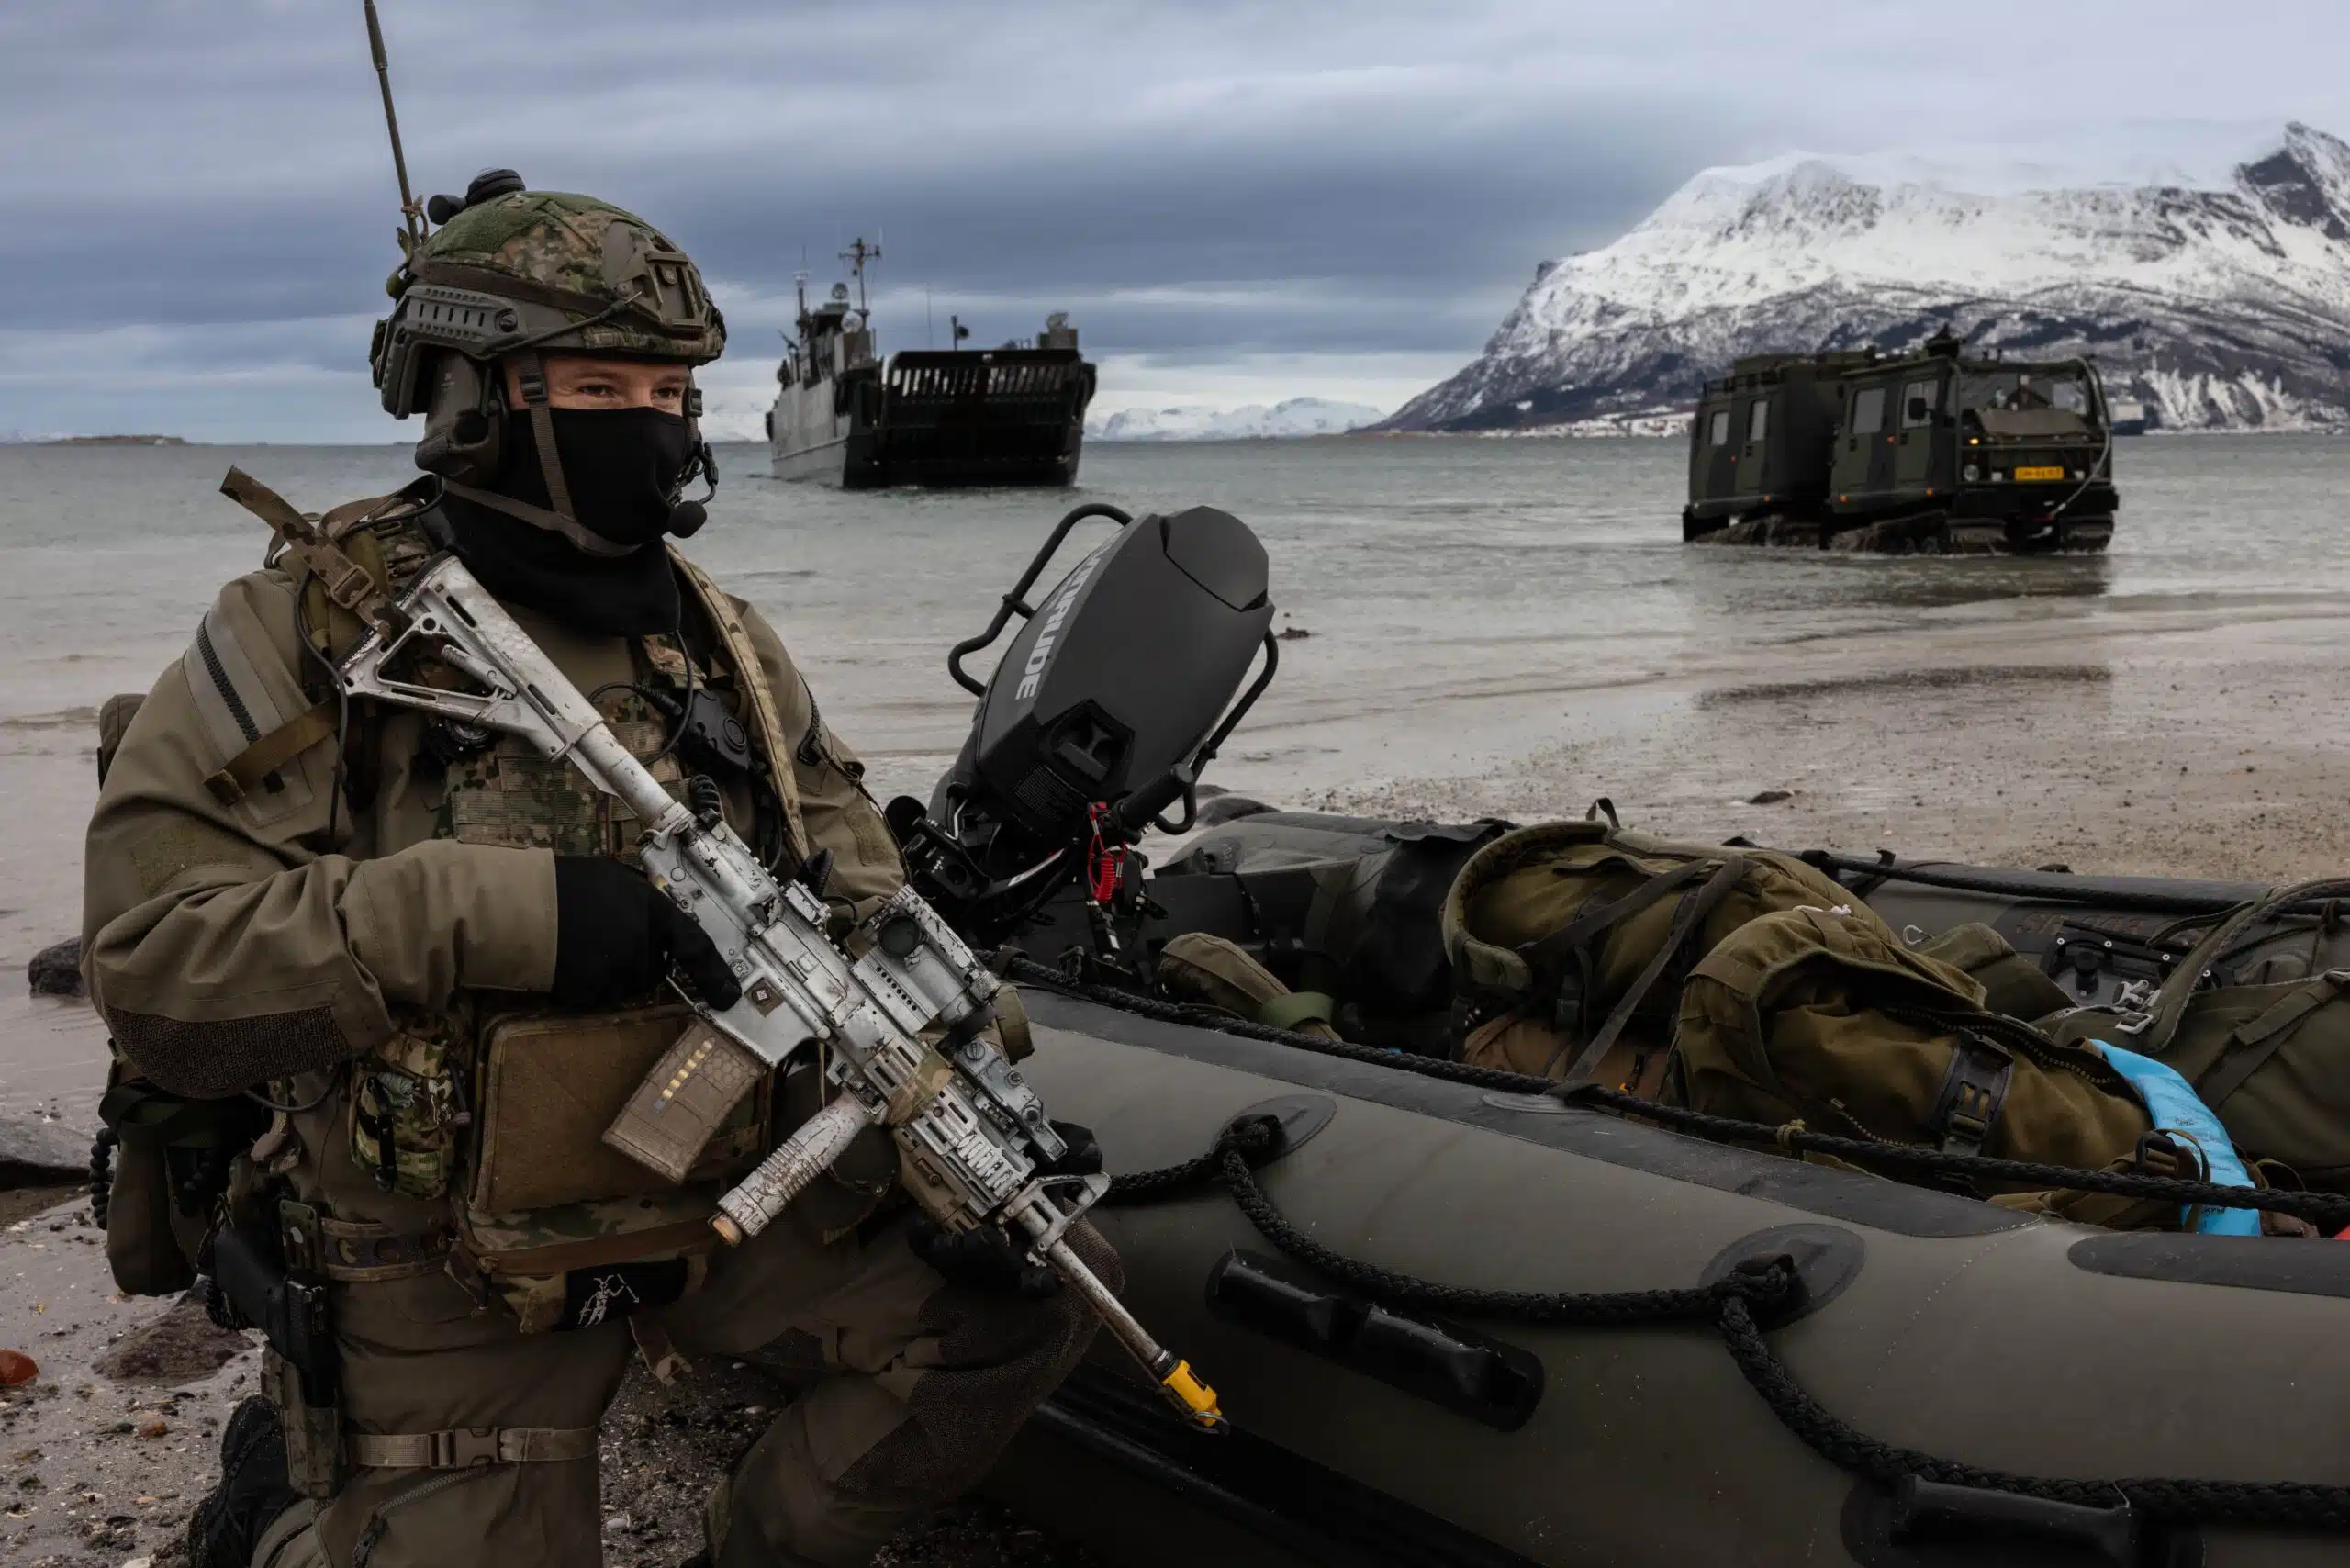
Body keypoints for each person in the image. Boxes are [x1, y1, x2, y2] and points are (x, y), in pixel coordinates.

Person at [80, 173, 1114, 1568]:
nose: (652, 425)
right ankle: (275, 1513)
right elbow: (157, 972)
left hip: (718, 1185)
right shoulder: (317, 634)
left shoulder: (725, 641)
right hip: (446, 1241)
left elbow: (860, 886)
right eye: (599, 386)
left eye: (670, 392)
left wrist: (966, 1098)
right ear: (476, 398)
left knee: (1025, 1305)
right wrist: (508, 914)